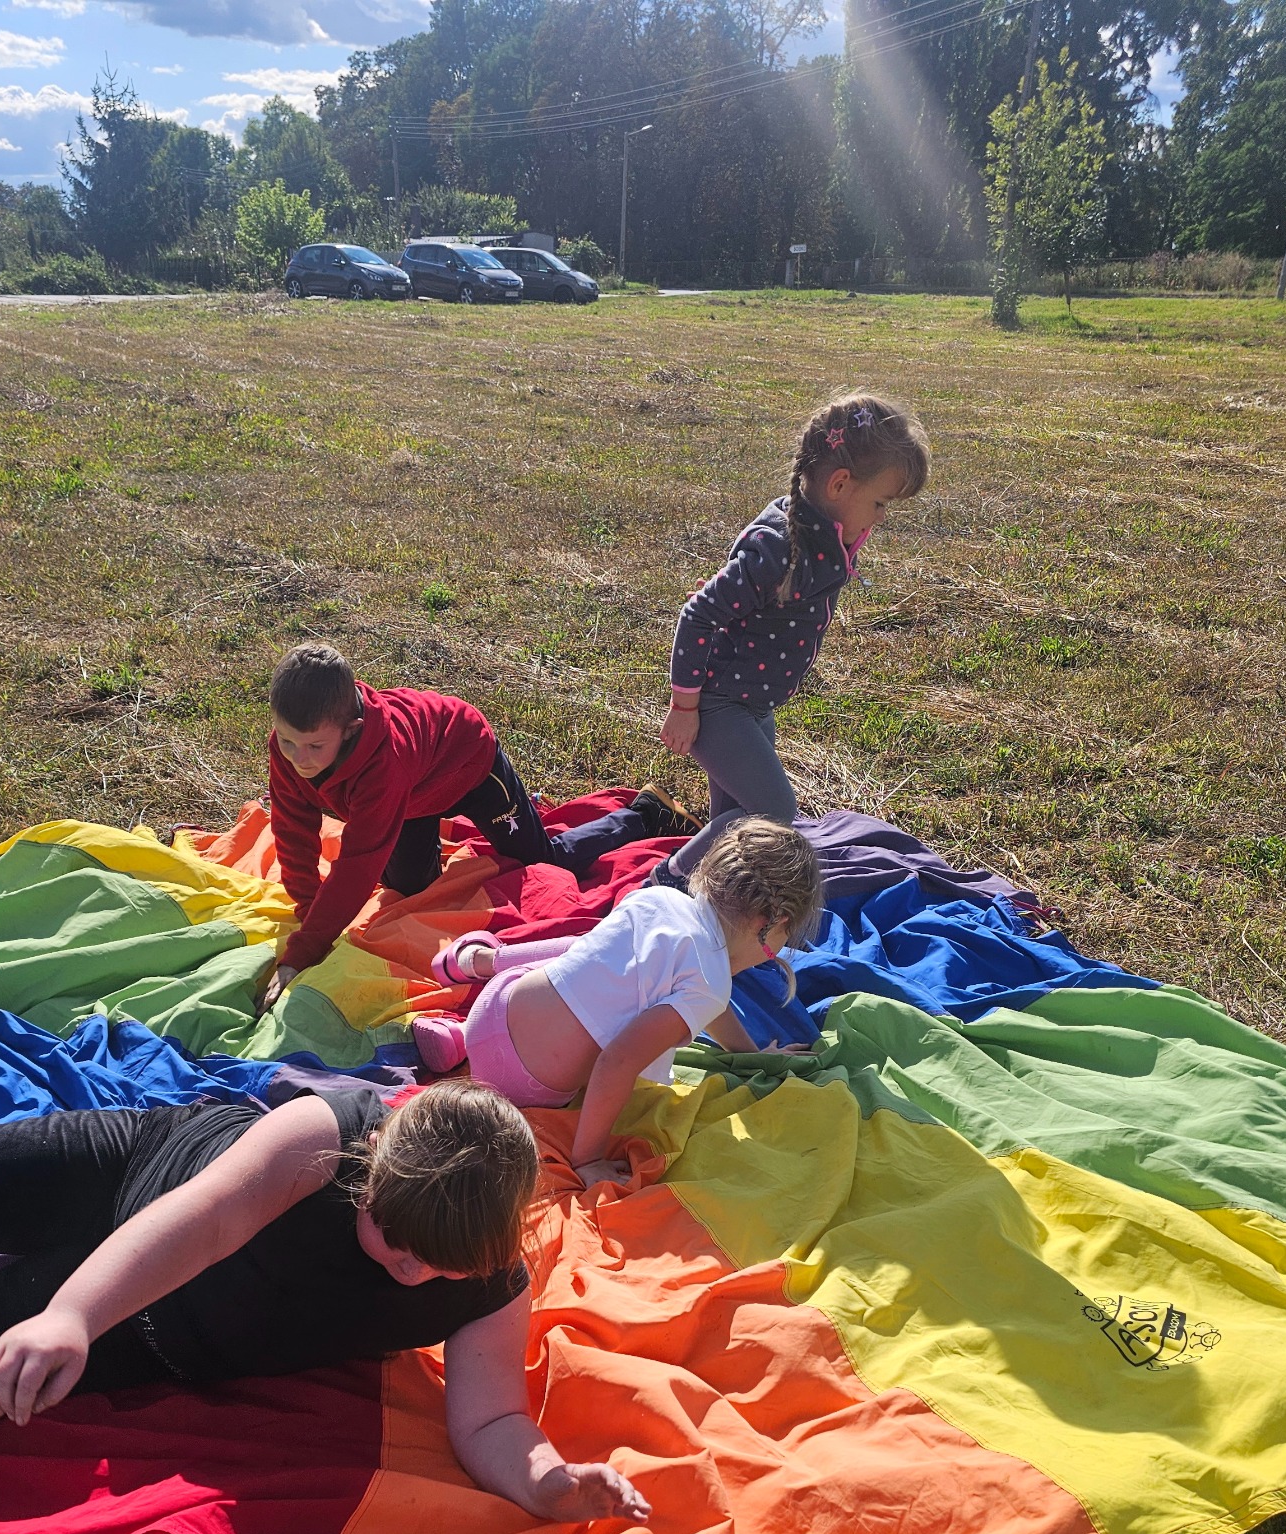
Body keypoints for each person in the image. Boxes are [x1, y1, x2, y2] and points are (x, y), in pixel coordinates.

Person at [0, 1080, 651, 1527]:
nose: (416, 1274)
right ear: (372, 1165)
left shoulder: (492, 1280)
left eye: (444, 1266)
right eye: (398, 1241)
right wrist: (68, 1315)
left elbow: (490, 1419)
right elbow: (203, 1224)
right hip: (120, 1180)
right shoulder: (319, 1136)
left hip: (147, 1332)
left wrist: (547, 1485)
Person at [261, 643, 697, 1007]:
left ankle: (644, 813)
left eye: (315, 746)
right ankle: (425, 839)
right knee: (412, 890)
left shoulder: (381, 764)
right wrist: (307, 914)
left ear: (352, 729)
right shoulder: (292, 751)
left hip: (466, 762)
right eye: (287, 741)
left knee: (542, 859)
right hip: (414, 793)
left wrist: (304, 952)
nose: (299, 759)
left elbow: (358, 864)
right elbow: (292, 829)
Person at [412, 819, 822, 1184]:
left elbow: (707, 1005)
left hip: (497, 1003)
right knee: (587, 1006)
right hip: (527, 1083)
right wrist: (587, 1158)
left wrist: (750, 1057)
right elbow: (618, 1061)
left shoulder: (662, 899)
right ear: (774, 925)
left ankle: (472, 1001)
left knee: (582, 956)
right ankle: (467, 1037)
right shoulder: (709, 983)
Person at [653, 391, 931, 886]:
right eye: (881, 503)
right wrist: (684, 704)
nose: (882, 518)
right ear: (840, 483)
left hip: (755, 704)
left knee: (736, 815)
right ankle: (665, 886)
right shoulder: (780, 549)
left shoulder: (822, 533)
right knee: (773, 812)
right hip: (719, 705)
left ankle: (711, 900)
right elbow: (698, 614)